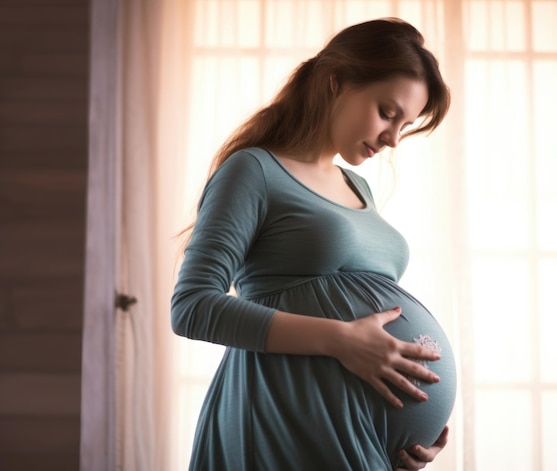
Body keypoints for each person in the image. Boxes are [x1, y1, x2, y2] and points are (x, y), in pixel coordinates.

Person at [171, 17, 456, 471]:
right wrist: (342, 340)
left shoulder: (359, 187)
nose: (394, 138)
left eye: (405, 124)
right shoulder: (254, 170)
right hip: (280, 421)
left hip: (362, 440)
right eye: (387, 112)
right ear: (335, 81)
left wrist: (401, 437)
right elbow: (191, 307)